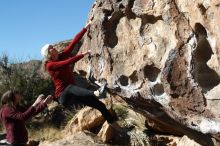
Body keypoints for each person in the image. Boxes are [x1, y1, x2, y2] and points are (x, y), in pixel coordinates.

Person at [40, 20, 118, 125]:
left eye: (52, 46)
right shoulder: (49, 65)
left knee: (99, 105)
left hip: (75, 93)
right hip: (63, 96)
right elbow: (67, 62)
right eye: (50, 49)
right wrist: (82, 55)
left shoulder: (61, 55)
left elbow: (73, 43)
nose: (53, 48)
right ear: (47, 54)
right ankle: (96, 93)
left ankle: (113, 123)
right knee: (70, 87)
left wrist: (85, 28)